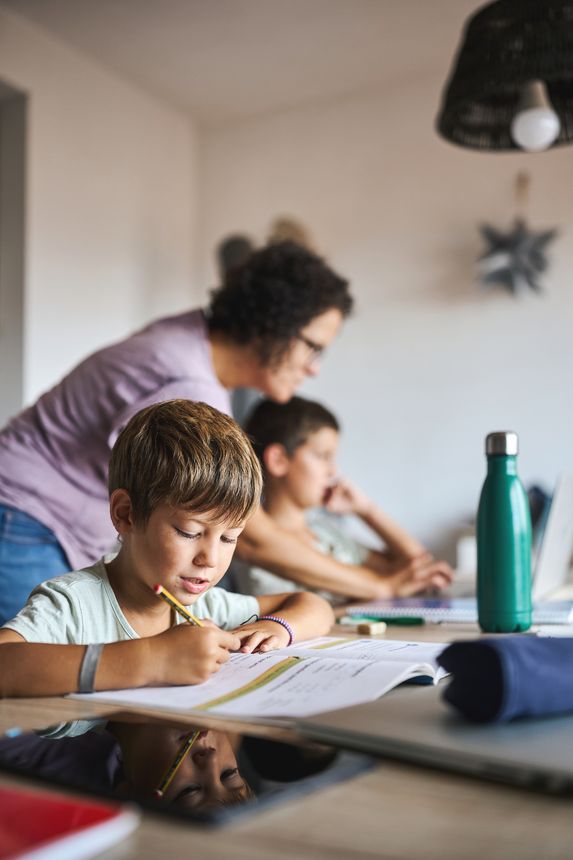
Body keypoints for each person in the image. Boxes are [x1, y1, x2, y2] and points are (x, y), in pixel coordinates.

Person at [0, 240, 352, 623]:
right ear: (273, 327)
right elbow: (255, 536)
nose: (314, 368)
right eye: (312, 348)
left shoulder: (186, 335)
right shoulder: (189, 386)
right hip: (26, 519)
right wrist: (378, 586)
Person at [0, 400, 334, 697]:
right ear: (126, 514)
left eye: (229, 538)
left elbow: (314, 606)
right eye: (189, 532)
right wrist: (153, 659)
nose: (210, 559)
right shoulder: (75, 605)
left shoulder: (207, 604)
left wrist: (277, 629)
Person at [238, 396, 453, 602]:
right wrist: (383, 586)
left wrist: (366, 510)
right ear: (279, 459)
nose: (333, 471)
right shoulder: (251, 543)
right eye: (323, 456)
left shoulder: (326, 535)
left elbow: (419, 568)